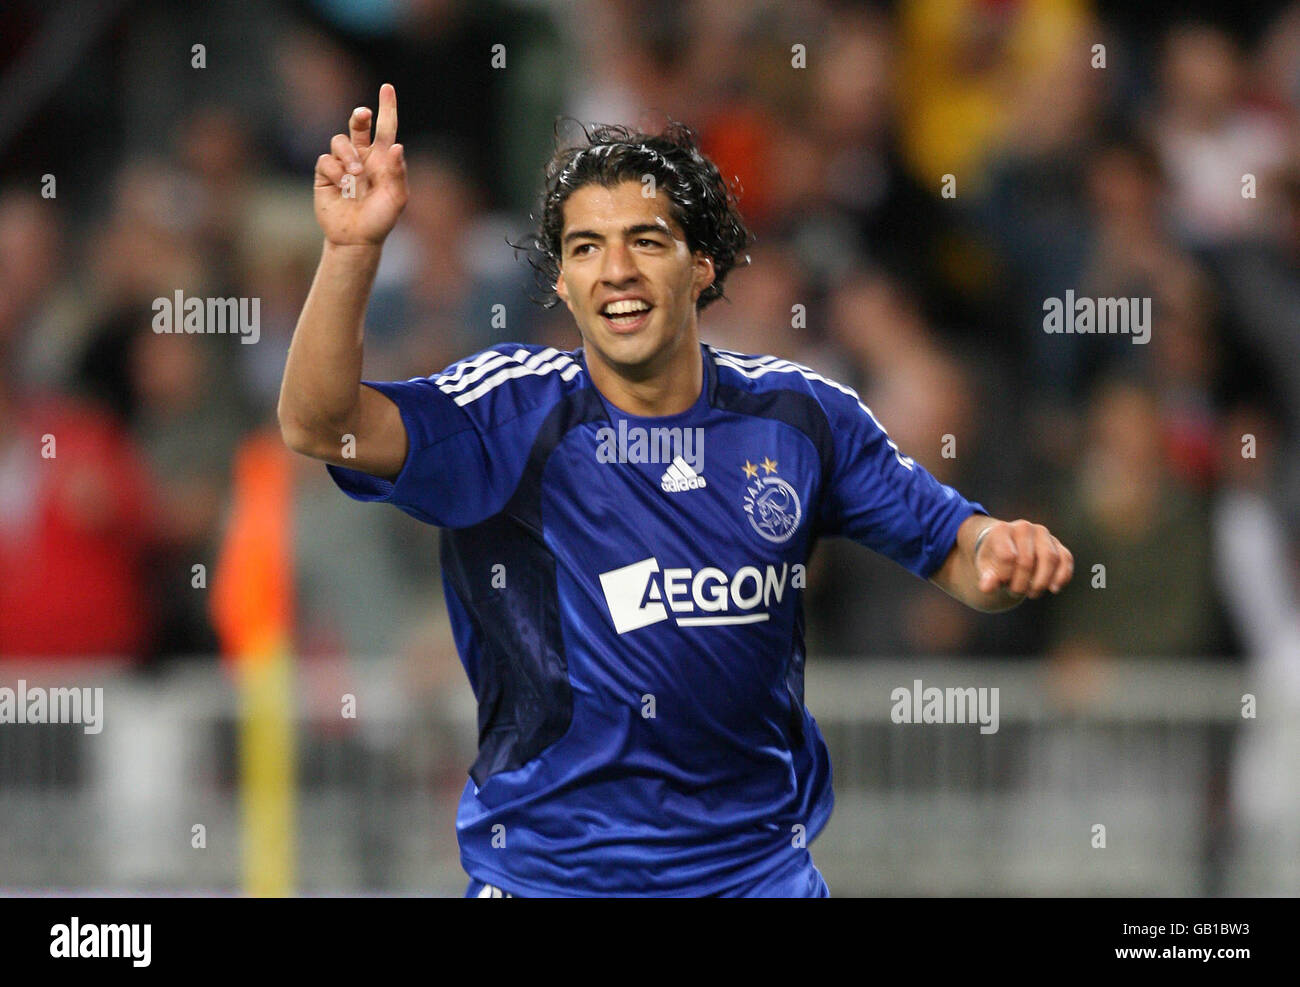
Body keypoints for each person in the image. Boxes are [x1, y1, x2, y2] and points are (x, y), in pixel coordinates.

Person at [278, 85, 1075, 897]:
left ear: (702, 264)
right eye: (585, 247)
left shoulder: (801, 417)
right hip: (551, 878)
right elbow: (317, 423)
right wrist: (350, 252)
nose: (615, 270)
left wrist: (1003, 551)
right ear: (560, 280)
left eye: (645, 241)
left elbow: (961, 554)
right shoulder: (506, 415)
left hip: (754, 878)